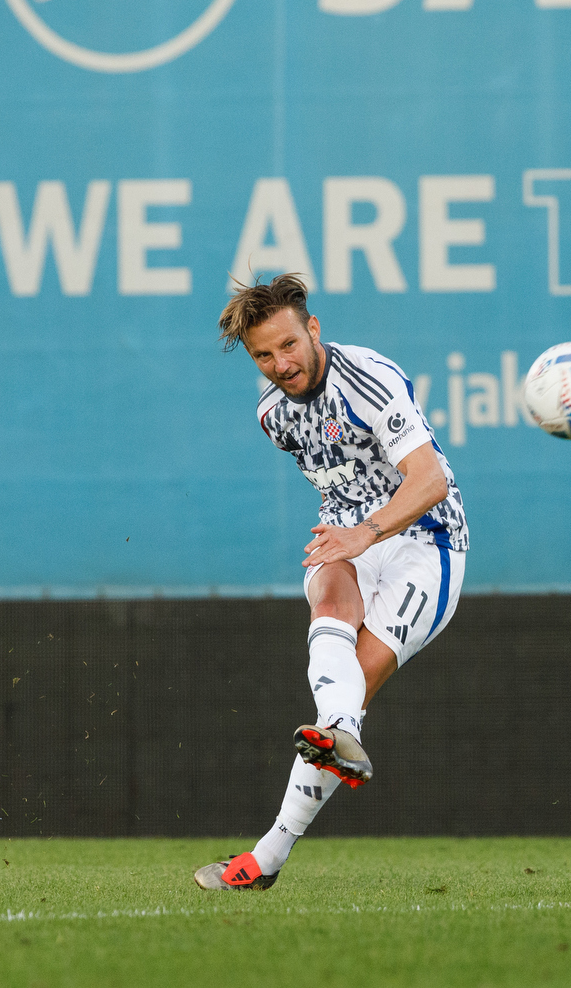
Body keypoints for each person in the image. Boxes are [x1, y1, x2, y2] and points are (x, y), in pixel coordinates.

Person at [194, 274, 467, 890]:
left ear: (312, 329)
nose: (280, 364)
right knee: (327, 599)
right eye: (263, 355)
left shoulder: (368, 377)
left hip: (428, 541)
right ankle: (338, 738)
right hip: (350, 538)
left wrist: (364, 532)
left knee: (354, 686)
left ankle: (269, 855)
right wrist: (350, 536)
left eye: (288, 345)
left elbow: (429, 482)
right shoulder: (273, 414)